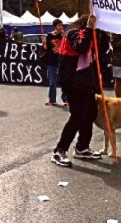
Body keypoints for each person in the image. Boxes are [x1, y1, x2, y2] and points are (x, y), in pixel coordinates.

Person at [51, 14, 102, 167]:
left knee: (90, 113)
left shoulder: (88, 33)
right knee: (77, 116)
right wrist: (89, 28)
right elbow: (81, 47)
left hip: (85, 82)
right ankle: (59, 150)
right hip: (73, 82)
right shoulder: (73, 32)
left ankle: (82, 147)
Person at [43, 19, 67, 106]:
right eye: (59, 25)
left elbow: (67, 46)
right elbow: (46, 49)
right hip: (52, 62)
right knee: (52, 82)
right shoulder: (49, 35)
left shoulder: (64, 35)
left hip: (62, 61)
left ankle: (65, 99)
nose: (61, 27)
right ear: (55, 26)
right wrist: (44, 44)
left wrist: (65, 37)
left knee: (64, 81)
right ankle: (52, 99)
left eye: (61, 25)